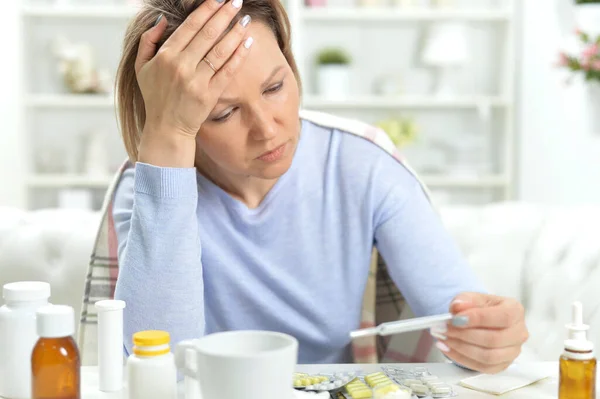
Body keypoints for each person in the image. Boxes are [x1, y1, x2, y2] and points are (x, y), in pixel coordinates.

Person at [111, 0, 529, 374]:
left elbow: (454, 317)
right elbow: (160, 364)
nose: (266, 128)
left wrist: (486, 339)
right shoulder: (148, 185)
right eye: (223, 113)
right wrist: (167, 135)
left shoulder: (360, 163)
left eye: (274, 87)